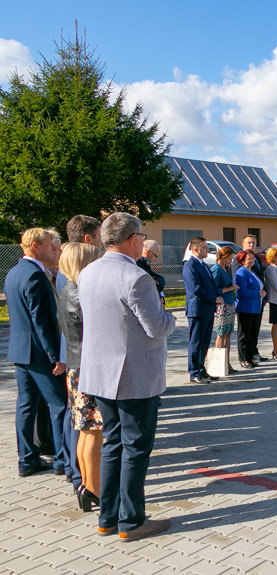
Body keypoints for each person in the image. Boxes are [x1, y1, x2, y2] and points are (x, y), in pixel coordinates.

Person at [78, 212, 176, 542]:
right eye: (142, 235)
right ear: (133, 238)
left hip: (102, 374)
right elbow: (157, 326)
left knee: (114, 445)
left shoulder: (88, 272)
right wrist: (171, 317)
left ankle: (108, 517)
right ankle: (131, 521)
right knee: (135, 449)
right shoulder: (136, 277)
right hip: (133, 376)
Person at [6, 228, 69, 478]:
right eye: (49, 245)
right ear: (34, 246)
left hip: (21, 351)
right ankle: (62, 460)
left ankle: (27, 459)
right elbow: (41, 322)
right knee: (59, 405)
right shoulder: (35, 275)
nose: (54, 250)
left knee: (26, 406)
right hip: (40, 354)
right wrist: (56, 356)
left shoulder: (14, 272)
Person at [58, 215, 102, 490]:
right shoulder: (80, 293)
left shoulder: (67, 289)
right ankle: (94, 489)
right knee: (93, 434)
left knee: (86, 433)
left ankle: (87, 486)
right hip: (87, 369)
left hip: (77, 367)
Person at [182, 237, 223, 384]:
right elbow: (195, 288)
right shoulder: (190, 265)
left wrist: (218, 296)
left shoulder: (203, 264)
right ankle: (194, 372)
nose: (208, 250)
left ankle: (201, 369)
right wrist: (213, 299)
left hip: (207, 309)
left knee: (205, 342)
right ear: (195, 249)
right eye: (205, 247)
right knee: (196, 342)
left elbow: (210, 285)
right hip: (197, 309)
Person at [232, 235, 267, 363]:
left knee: (253, 332)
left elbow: (261, 280)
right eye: (249, 243)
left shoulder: (253, 267)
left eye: (254, 243)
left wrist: (263, 295)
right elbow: (241, 289)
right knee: (244, 334)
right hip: (246, 305)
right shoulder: (240, 269)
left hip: (256, 305)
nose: (251, 260)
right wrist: (258, 293)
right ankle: (244, 358)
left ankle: (252, 354)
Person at [210, 247, 239, 373]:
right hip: (222, 306)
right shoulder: (216, 269)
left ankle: (227, 362)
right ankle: (219, 363)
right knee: (221, 334)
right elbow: (214, 289)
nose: (230, 261)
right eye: (228, 258)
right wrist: (230, 288)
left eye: (231, 259)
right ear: (222, 257)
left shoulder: (227, 269)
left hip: (229, 304)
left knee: (228, 334)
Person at [137, 239, 166, 305]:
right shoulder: (137, 264)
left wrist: (156, 282)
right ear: (147, 252)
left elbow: (161, 280)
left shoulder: (145, 265)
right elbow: (145, 285)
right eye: (155, 256)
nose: (155, 260)